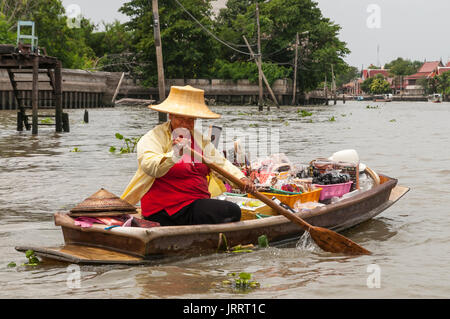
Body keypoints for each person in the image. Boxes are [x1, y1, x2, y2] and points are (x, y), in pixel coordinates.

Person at [121, 85, 256, 226]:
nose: (185, 124)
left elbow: (220, 163)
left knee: (230, 211)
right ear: (170, 116)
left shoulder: (199, 139)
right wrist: (174, 154)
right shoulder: (154, 137)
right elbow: (150, 167)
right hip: (165, 209)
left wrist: (241, 179)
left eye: (190, 120)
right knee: (231, 211)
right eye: (180, 118)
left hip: (196, 203)